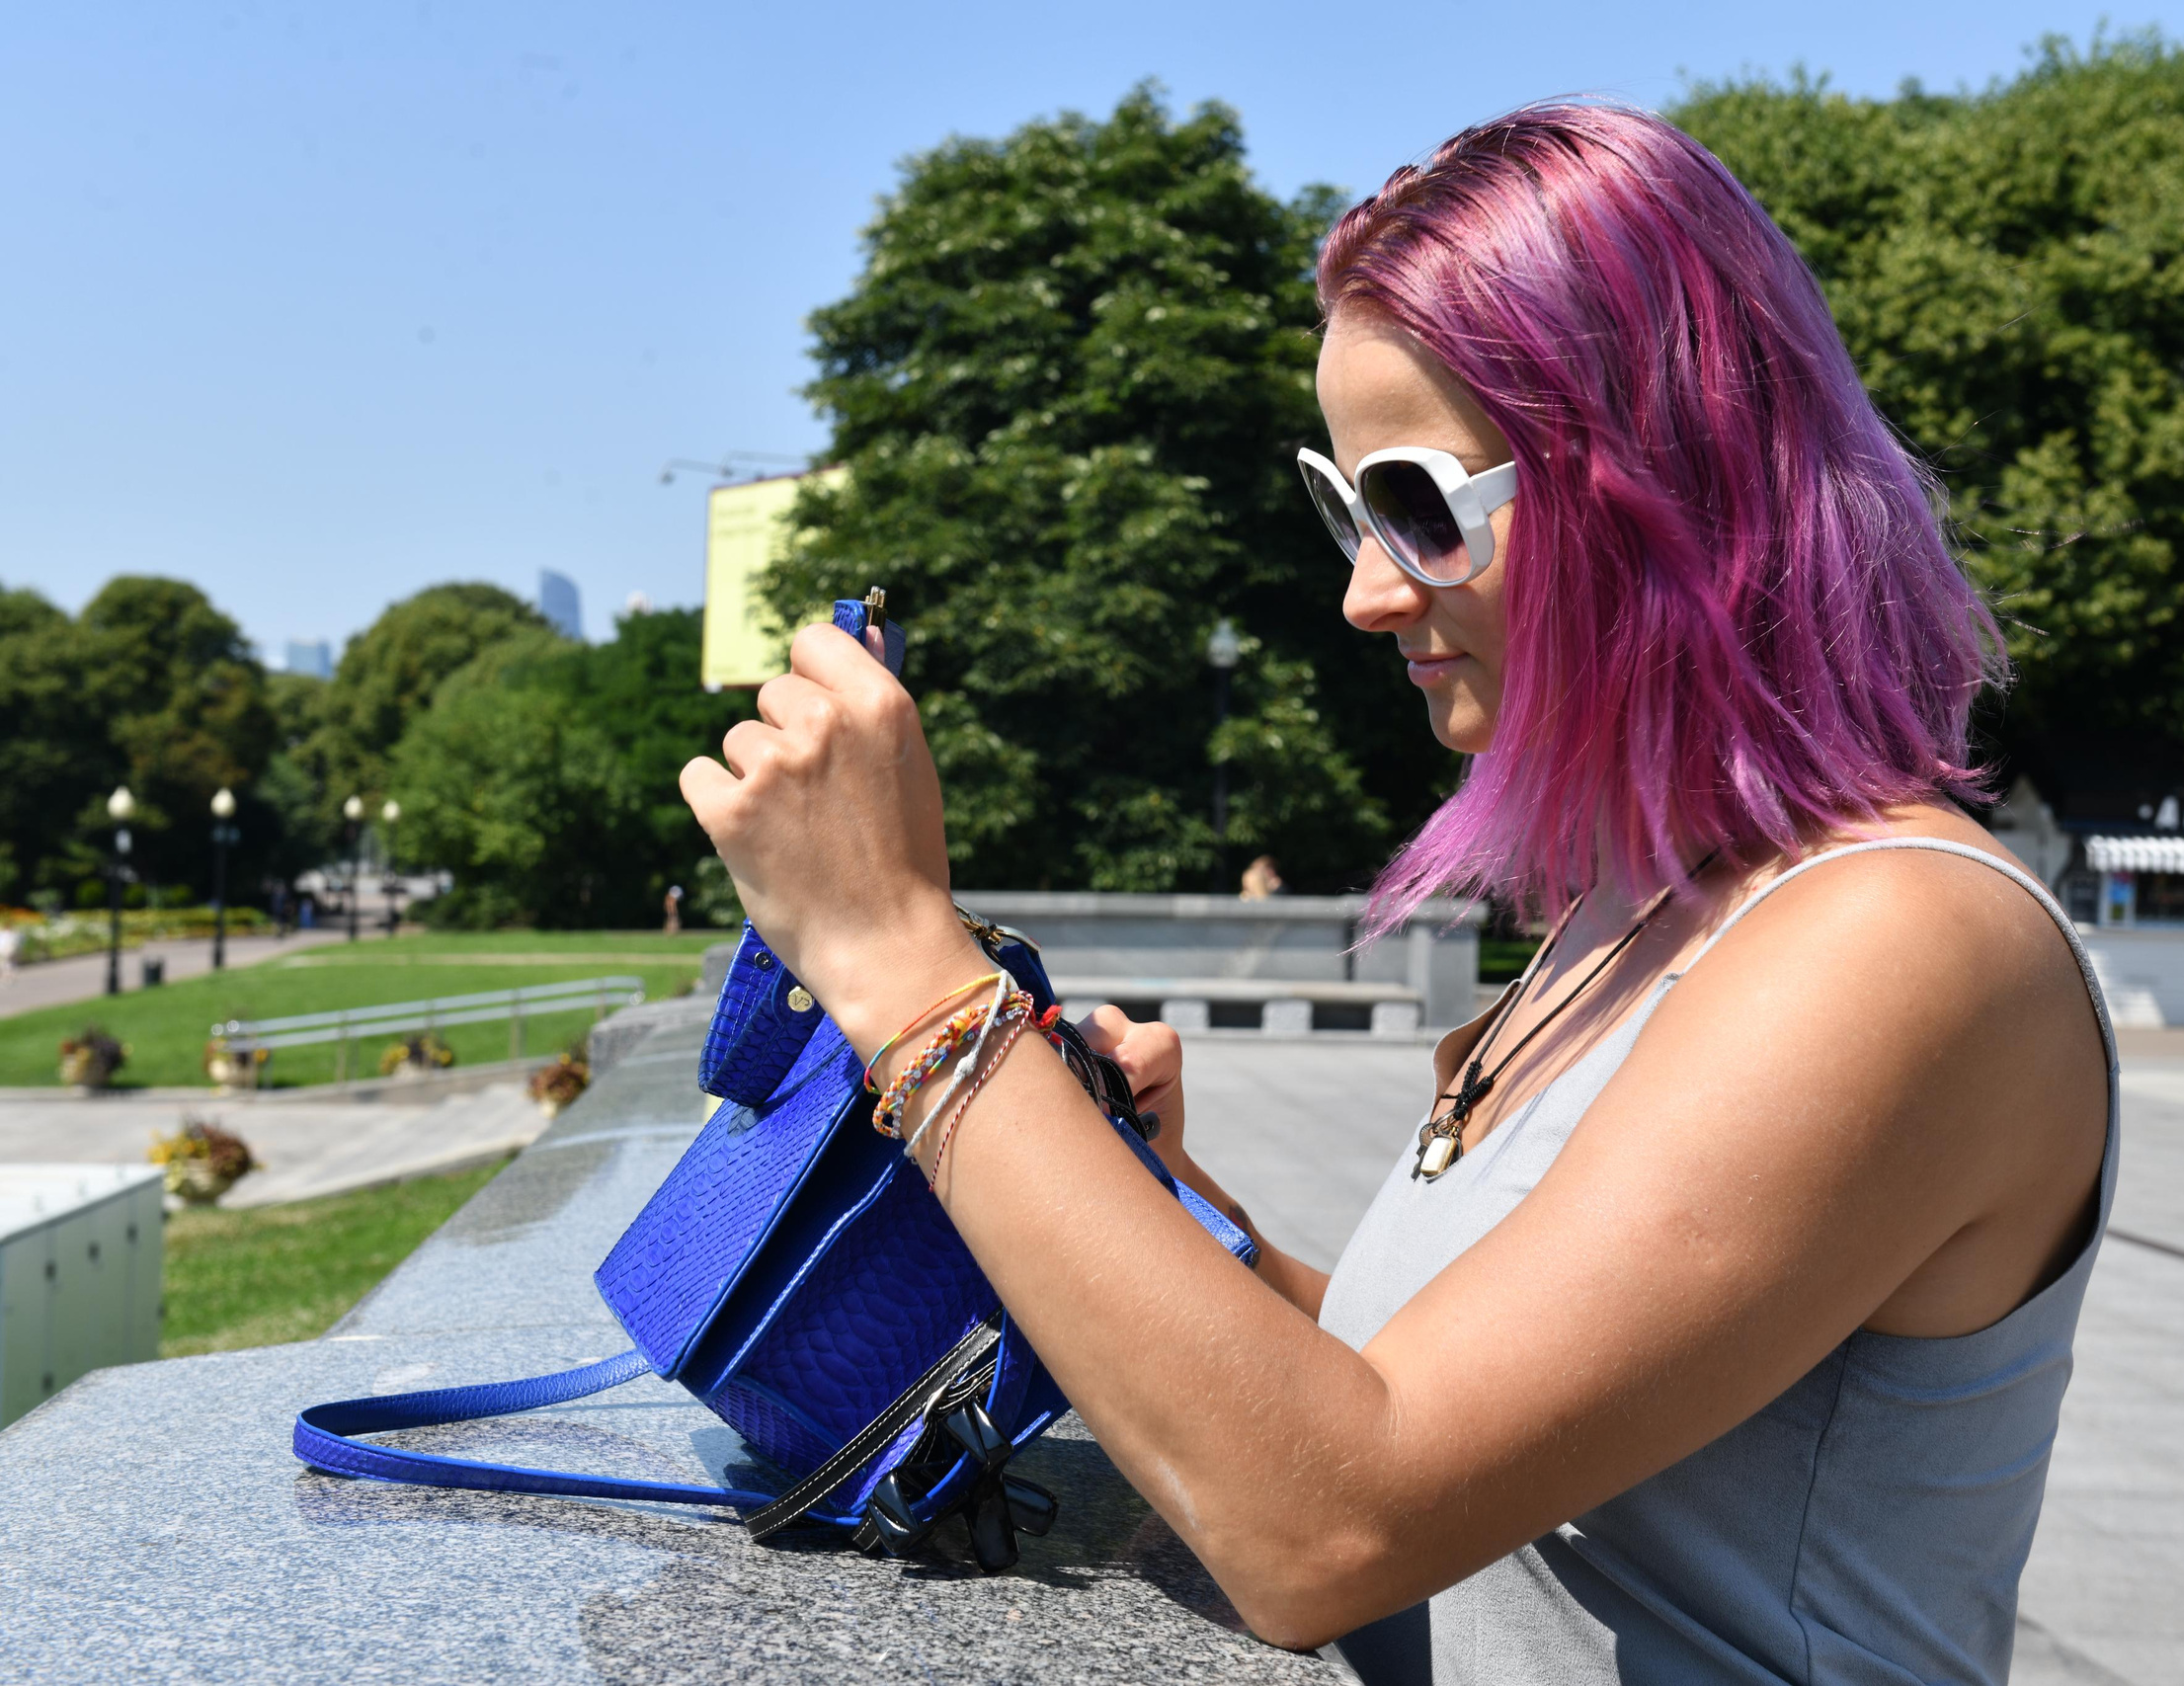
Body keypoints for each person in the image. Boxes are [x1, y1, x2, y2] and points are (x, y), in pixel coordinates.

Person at [684, 105, 2111, 1684]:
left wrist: (898, 958)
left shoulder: (1896, 942)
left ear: (1664, 479)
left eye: (1421, 508)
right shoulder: (1651, 904)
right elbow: (1434, 1395)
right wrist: (1165, 1204)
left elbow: (1329, 1522)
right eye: (1348, 505)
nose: (1366, 590)